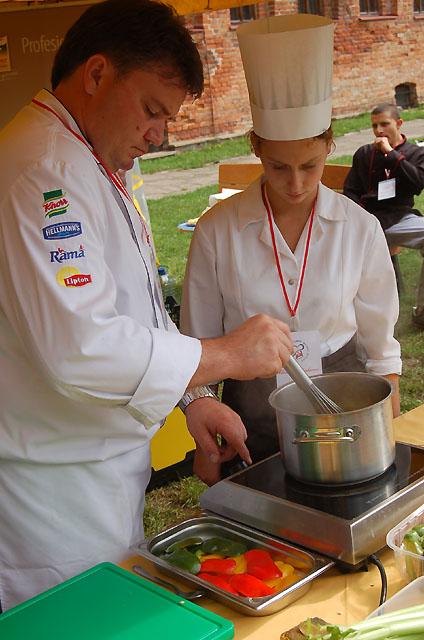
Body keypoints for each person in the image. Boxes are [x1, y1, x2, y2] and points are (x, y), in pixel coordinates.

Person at [0, 0, 294, 610]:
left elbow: (133, 307)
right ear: (98, 74)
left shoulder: (90, 159)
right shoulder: (42, 171)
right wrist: (224, 355)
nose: (159, 135)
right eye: (152, 111)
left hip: (96, 467)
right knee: (76, 621)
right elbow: (82, 348)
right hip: (52, 490)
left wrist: (191, 397)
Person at [180, 14, 402, 486]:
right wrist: (201, 419)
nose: (296, 184)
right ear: (256, 147)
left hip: (342, 397)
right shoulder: (218, 231)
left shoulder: (358, 228)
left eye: (311, 165)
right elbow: (195, 346)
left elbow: (382, 351)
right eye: (279, 167)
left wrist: (388, 433)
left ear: (329, 146)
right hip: (252, 406)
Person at [343, 103, 424, 327]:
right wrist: (361, 220)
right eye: (374, 126)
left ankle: (422, 314)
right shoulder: (364, 154)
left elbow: (417, 183)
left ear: (399, 124)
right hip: (367, 222)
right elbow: (350, 190)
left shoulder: (415, 153)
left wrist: (390, 153)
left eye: (384, 124)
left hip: (399, 219)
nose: (379, 130)